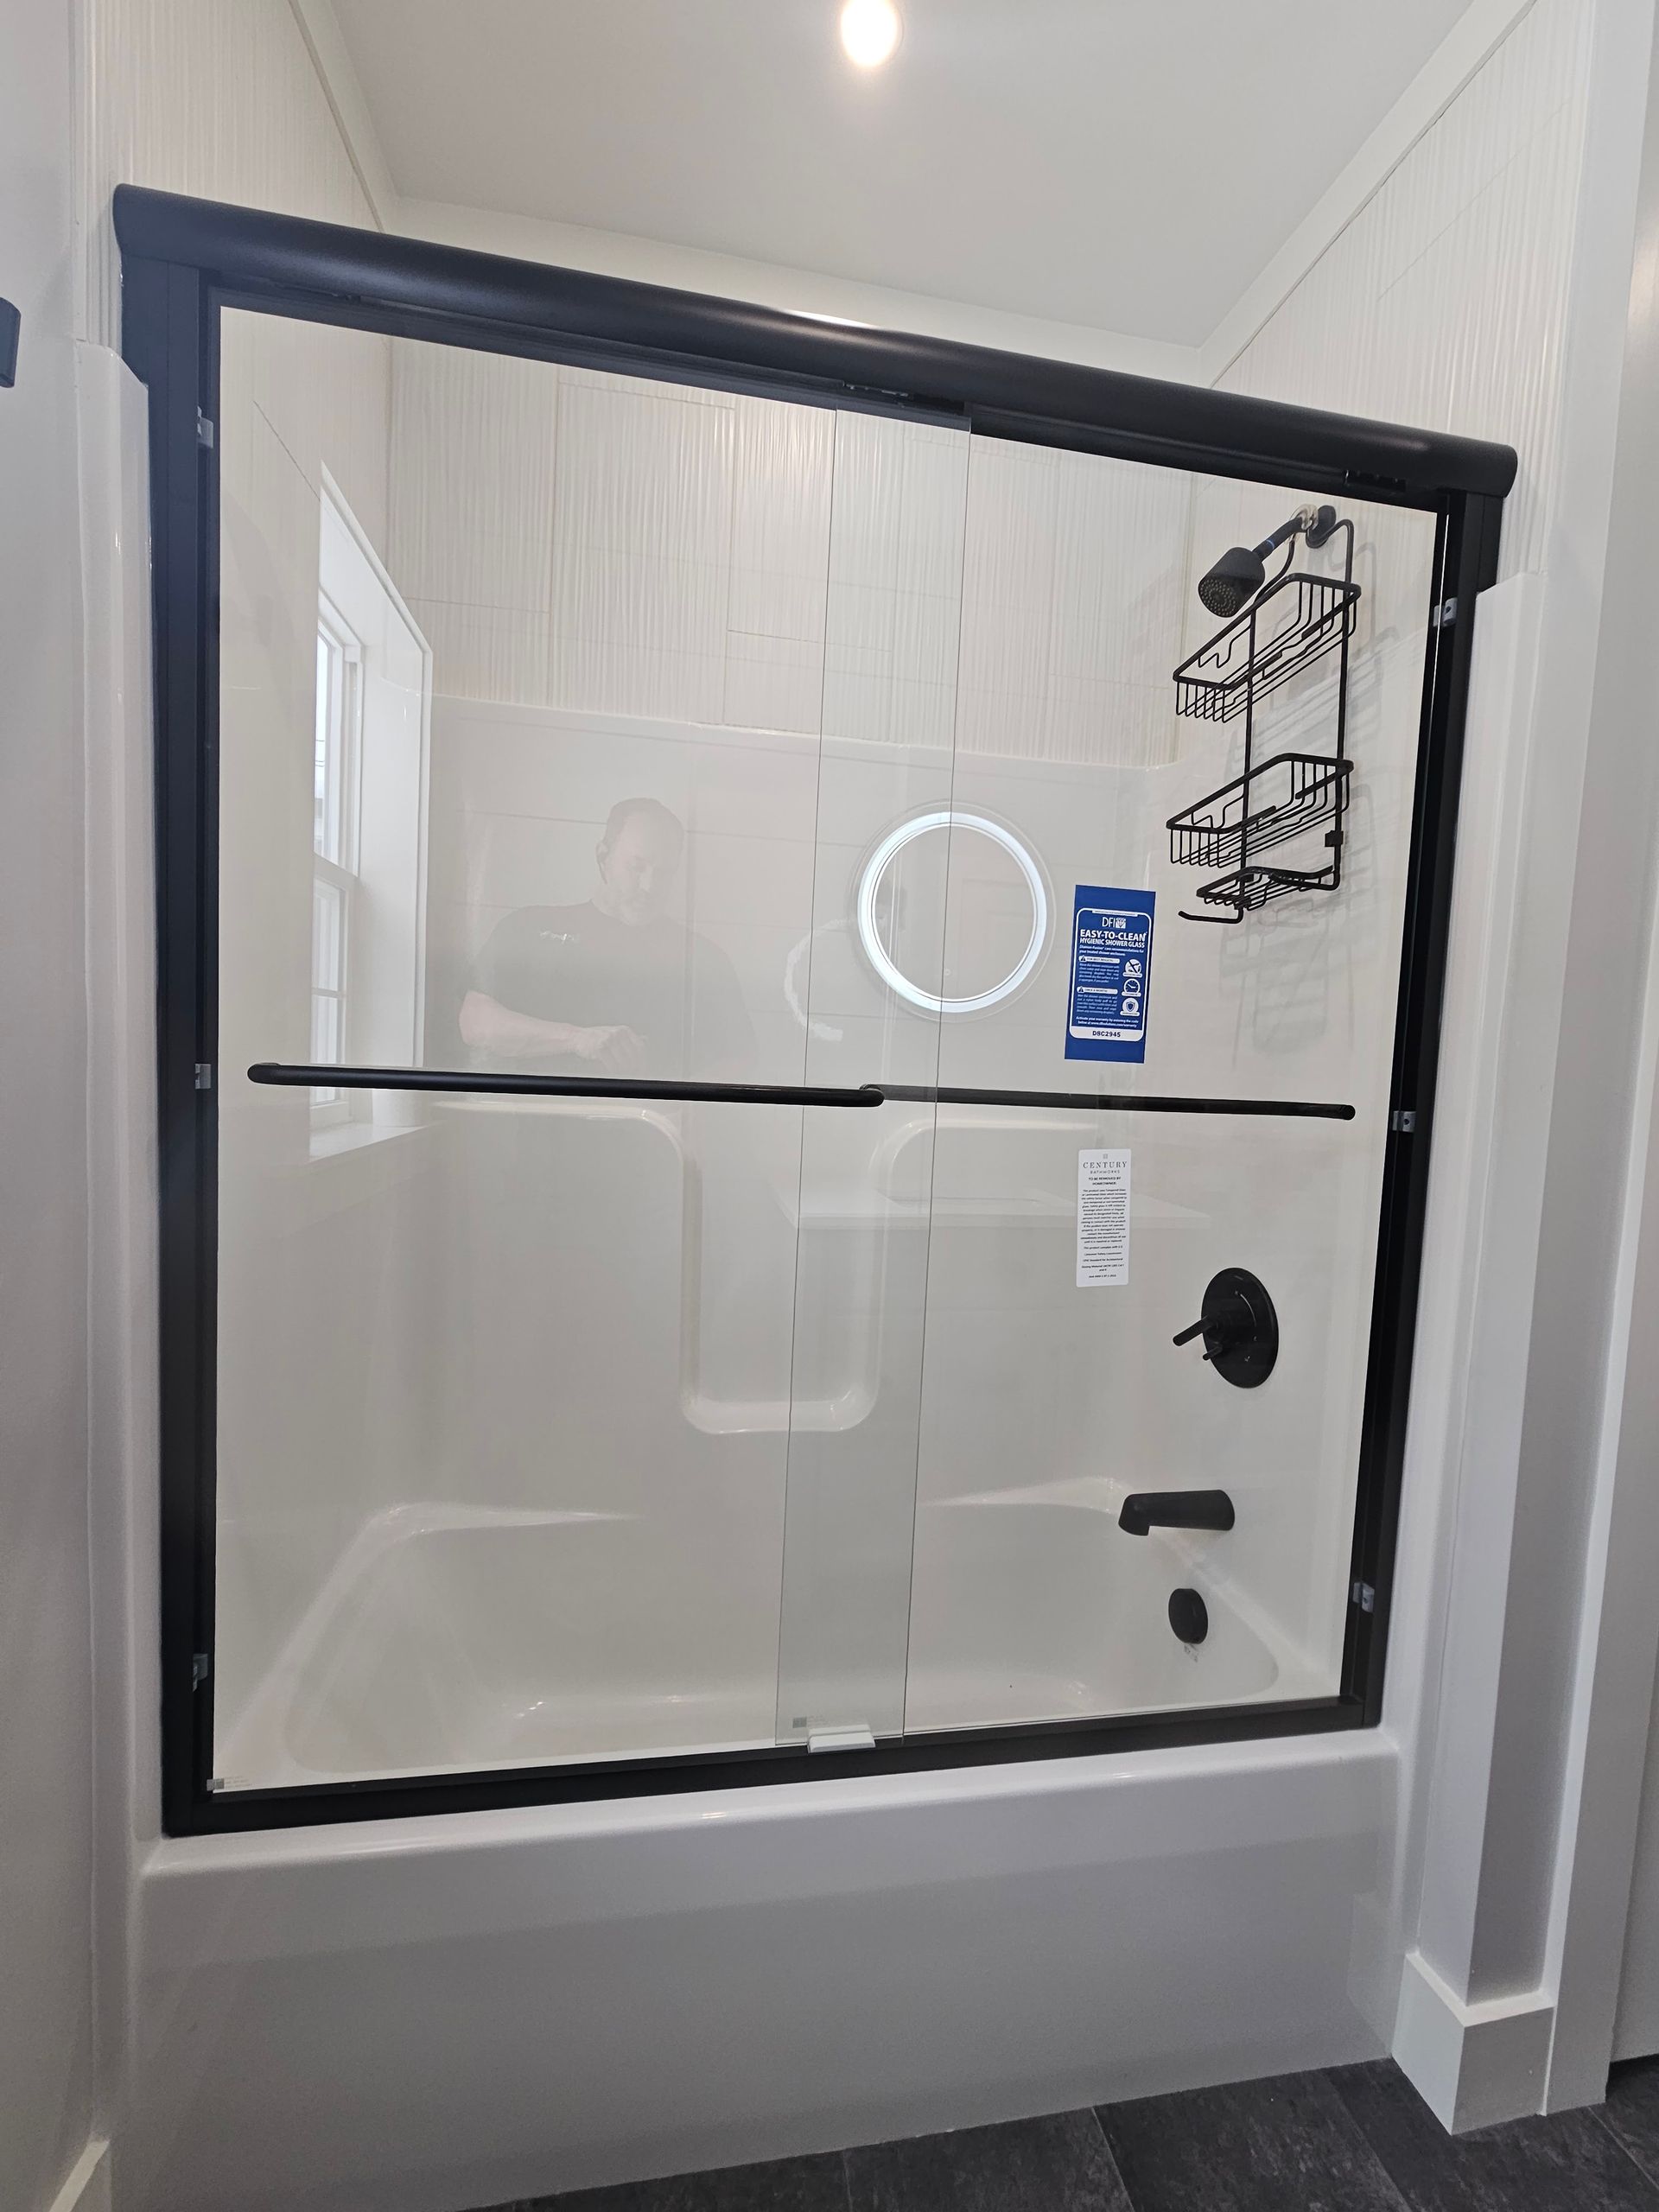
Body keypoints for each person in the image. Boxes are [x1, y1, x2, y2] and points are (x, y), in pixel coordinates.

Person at [459, 797, 753, 1077]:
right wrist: (576, 1039)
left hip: (649, 1114)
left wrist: (677, 1104)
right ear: (603, 856)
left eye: (664, 872)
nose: (650, 886)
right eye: (637, 867)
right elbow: (475, 1021)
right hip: (536, 1112)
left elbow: (739, 1059)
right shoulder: (531, 927)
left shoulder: (701, 958)